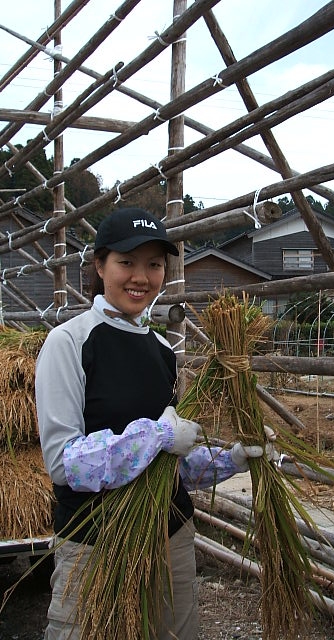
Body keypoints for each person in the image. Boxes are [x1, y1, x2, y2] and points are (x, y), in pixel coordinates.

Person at [36, 207, 270, 640]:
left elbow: (169, 467)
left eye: (155, 265)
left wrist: (230, 460)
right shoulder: (69, 342)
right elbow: (67, 465)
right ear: (100, 265)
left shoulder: (163, 349)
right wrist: (157, 435)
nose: (141, 277)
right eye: (126, 262)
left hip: (171, 539)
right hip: (94, 543)